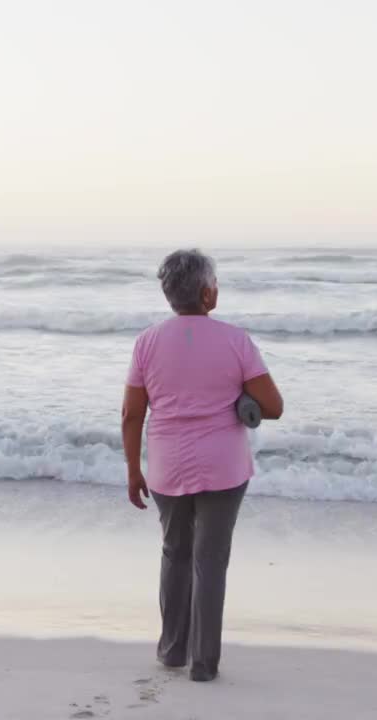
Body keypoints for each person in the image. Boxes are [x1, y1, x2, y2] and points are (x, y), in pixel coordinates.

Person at [121, 249, 283, 683]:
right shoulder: (235, 340)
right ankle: (205, 663)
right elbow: (274, 406)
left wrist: (133, 469)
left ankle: (173, 651)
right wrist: (240, 402)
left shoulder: (147, 342)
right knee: (210, 560)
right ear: (208, 293)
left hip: (167, 466)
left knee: (175, 552)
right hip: (223, 467)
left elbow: (132, 414)